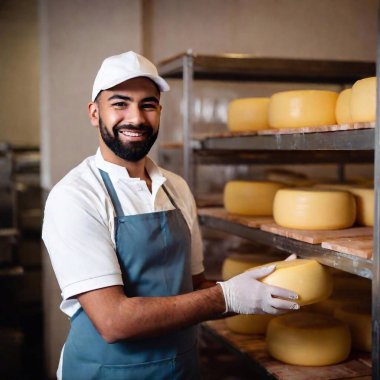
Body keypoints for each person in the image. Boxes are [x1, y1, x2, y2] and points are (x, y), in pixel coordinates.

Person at [42, 51, 299, 380]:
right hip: (105, 373)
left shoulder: (176, 187)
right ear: (94, 113)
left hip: (179, 371)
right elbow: (114, 321)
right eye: (120, 104)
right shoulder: (76, 196)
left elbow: (193, 291)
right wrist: (228, 297)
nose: (136, 117)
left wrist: (266, 287)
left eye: (147, 104)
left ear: (159, 112)